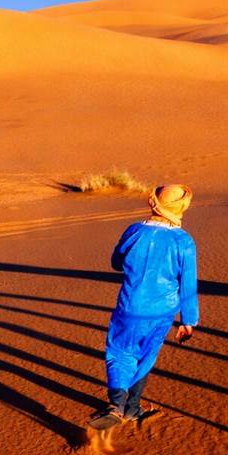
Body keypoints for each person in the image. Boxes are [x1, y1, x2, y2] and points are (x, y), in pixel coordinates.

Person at [89, 184, 199, 429]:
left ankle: (116, 405)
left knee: (119, 352)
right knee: (147, 355)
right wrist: (188, 321)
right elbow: (188, 283)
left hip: (129, 306)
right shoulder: (184, 241)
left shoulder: (134, 231)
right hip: (163, 311)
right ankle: (133, 408)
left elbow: (116, 262)